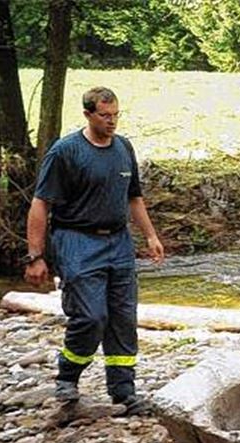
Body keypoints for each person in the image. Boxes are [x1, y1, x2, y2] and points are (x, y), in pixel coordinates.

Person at [23, 87, 164, 416]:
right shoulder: (65, 152)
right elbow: (40, 204)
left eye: (116, 114)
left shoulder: (123, 147)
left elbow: (134, 198)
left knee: (123, 319)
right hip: (77, 240)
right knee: (90, 316)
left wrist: (151, 236)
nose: (112, 121)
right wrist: (36, 256)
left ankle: (124, 392)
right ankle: (67, 377)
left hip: (118, 242)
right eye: (105, 116)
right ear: (87, 114)